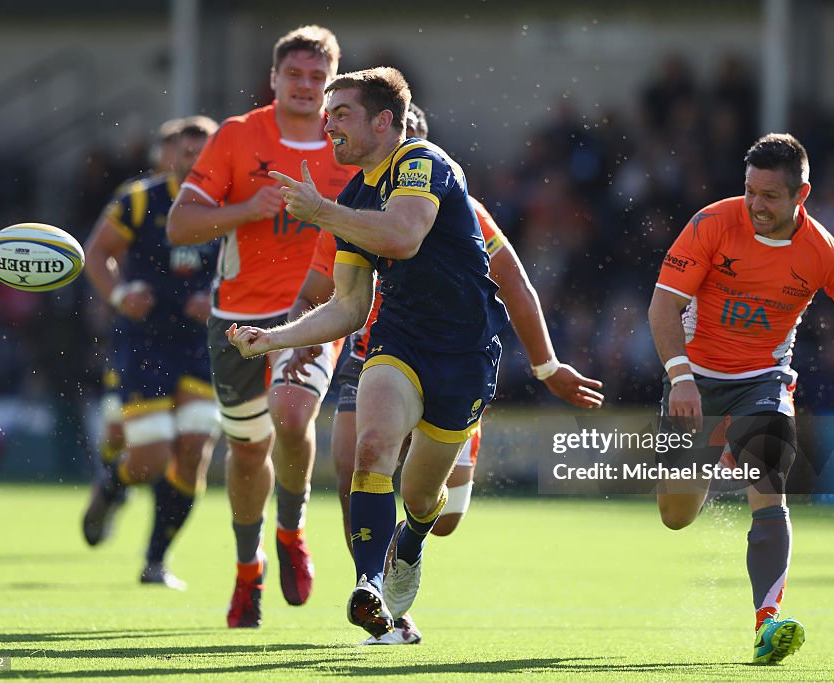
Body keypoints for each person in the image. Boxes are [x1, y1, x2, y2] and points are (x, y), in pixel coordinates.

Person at [284, 102, 604, 644]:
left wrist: (547, 365)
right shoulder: (351, 206)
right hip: (378, 349)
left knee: (439, 509)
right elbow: (325, 289)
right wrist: (291, 336)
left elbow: (517, 286)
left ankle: (409, 545)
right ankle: (377, 597)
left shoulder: (464, 209)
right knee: (357, 463)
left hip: (455, 357)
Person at [227, 66, 510, 641]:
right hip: (399, 342)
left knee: (423, 496)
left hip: (465, 354)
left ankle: (409, 543)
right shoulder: (353, 195)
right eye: (327, 115)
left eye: (342, 114)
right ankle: (370, 588)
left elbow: (403, 235)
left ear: (384, 121)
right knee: (371, 449)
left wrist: (323, 214)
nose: (327, 124)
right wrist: (275, 340)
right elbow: (350, 305)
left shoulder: (423, 162)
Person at [648, 133, 834, 664]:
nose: (756, 206)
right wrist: (682, 378)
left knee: (768, 476)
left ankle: (768, 621)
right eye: (750, 192)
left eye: (770, 196)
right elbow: (662, 307)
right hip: (695, 378)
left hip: (764, 378)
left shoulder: (825, 253)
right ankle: (715, 459)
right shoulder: (712, 224)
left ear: (800, 195)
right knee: (675, 514)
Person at [166, 25, 356, 627]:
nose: (306, 86)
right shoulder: (238, 136)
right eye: (294, 75)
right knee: (247, 454)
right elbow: (180, 225)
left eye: (317, 77)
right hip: (237, 320)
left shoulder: (345, 141)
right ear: (274, 78)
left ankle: (292, 528)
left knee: (294, 414)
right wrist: (249, 208)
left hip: (316, 311)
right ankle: (249, 571)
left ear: (331, 84)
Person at [81, 115, 220, 591]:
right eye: (187, 152)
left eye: (205, 153)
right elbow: (96, 252)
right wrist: (120, 296)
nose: (195, 161)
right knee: (150, 460)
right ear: (173, 156)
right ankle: (112, 486)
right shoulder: (140, 199)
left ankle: (156, 560)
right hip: (146, 340)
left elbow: (255, 268)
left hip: (201, 345)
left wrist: (221, 301)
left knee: (195, 450)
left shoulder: (232, 205)